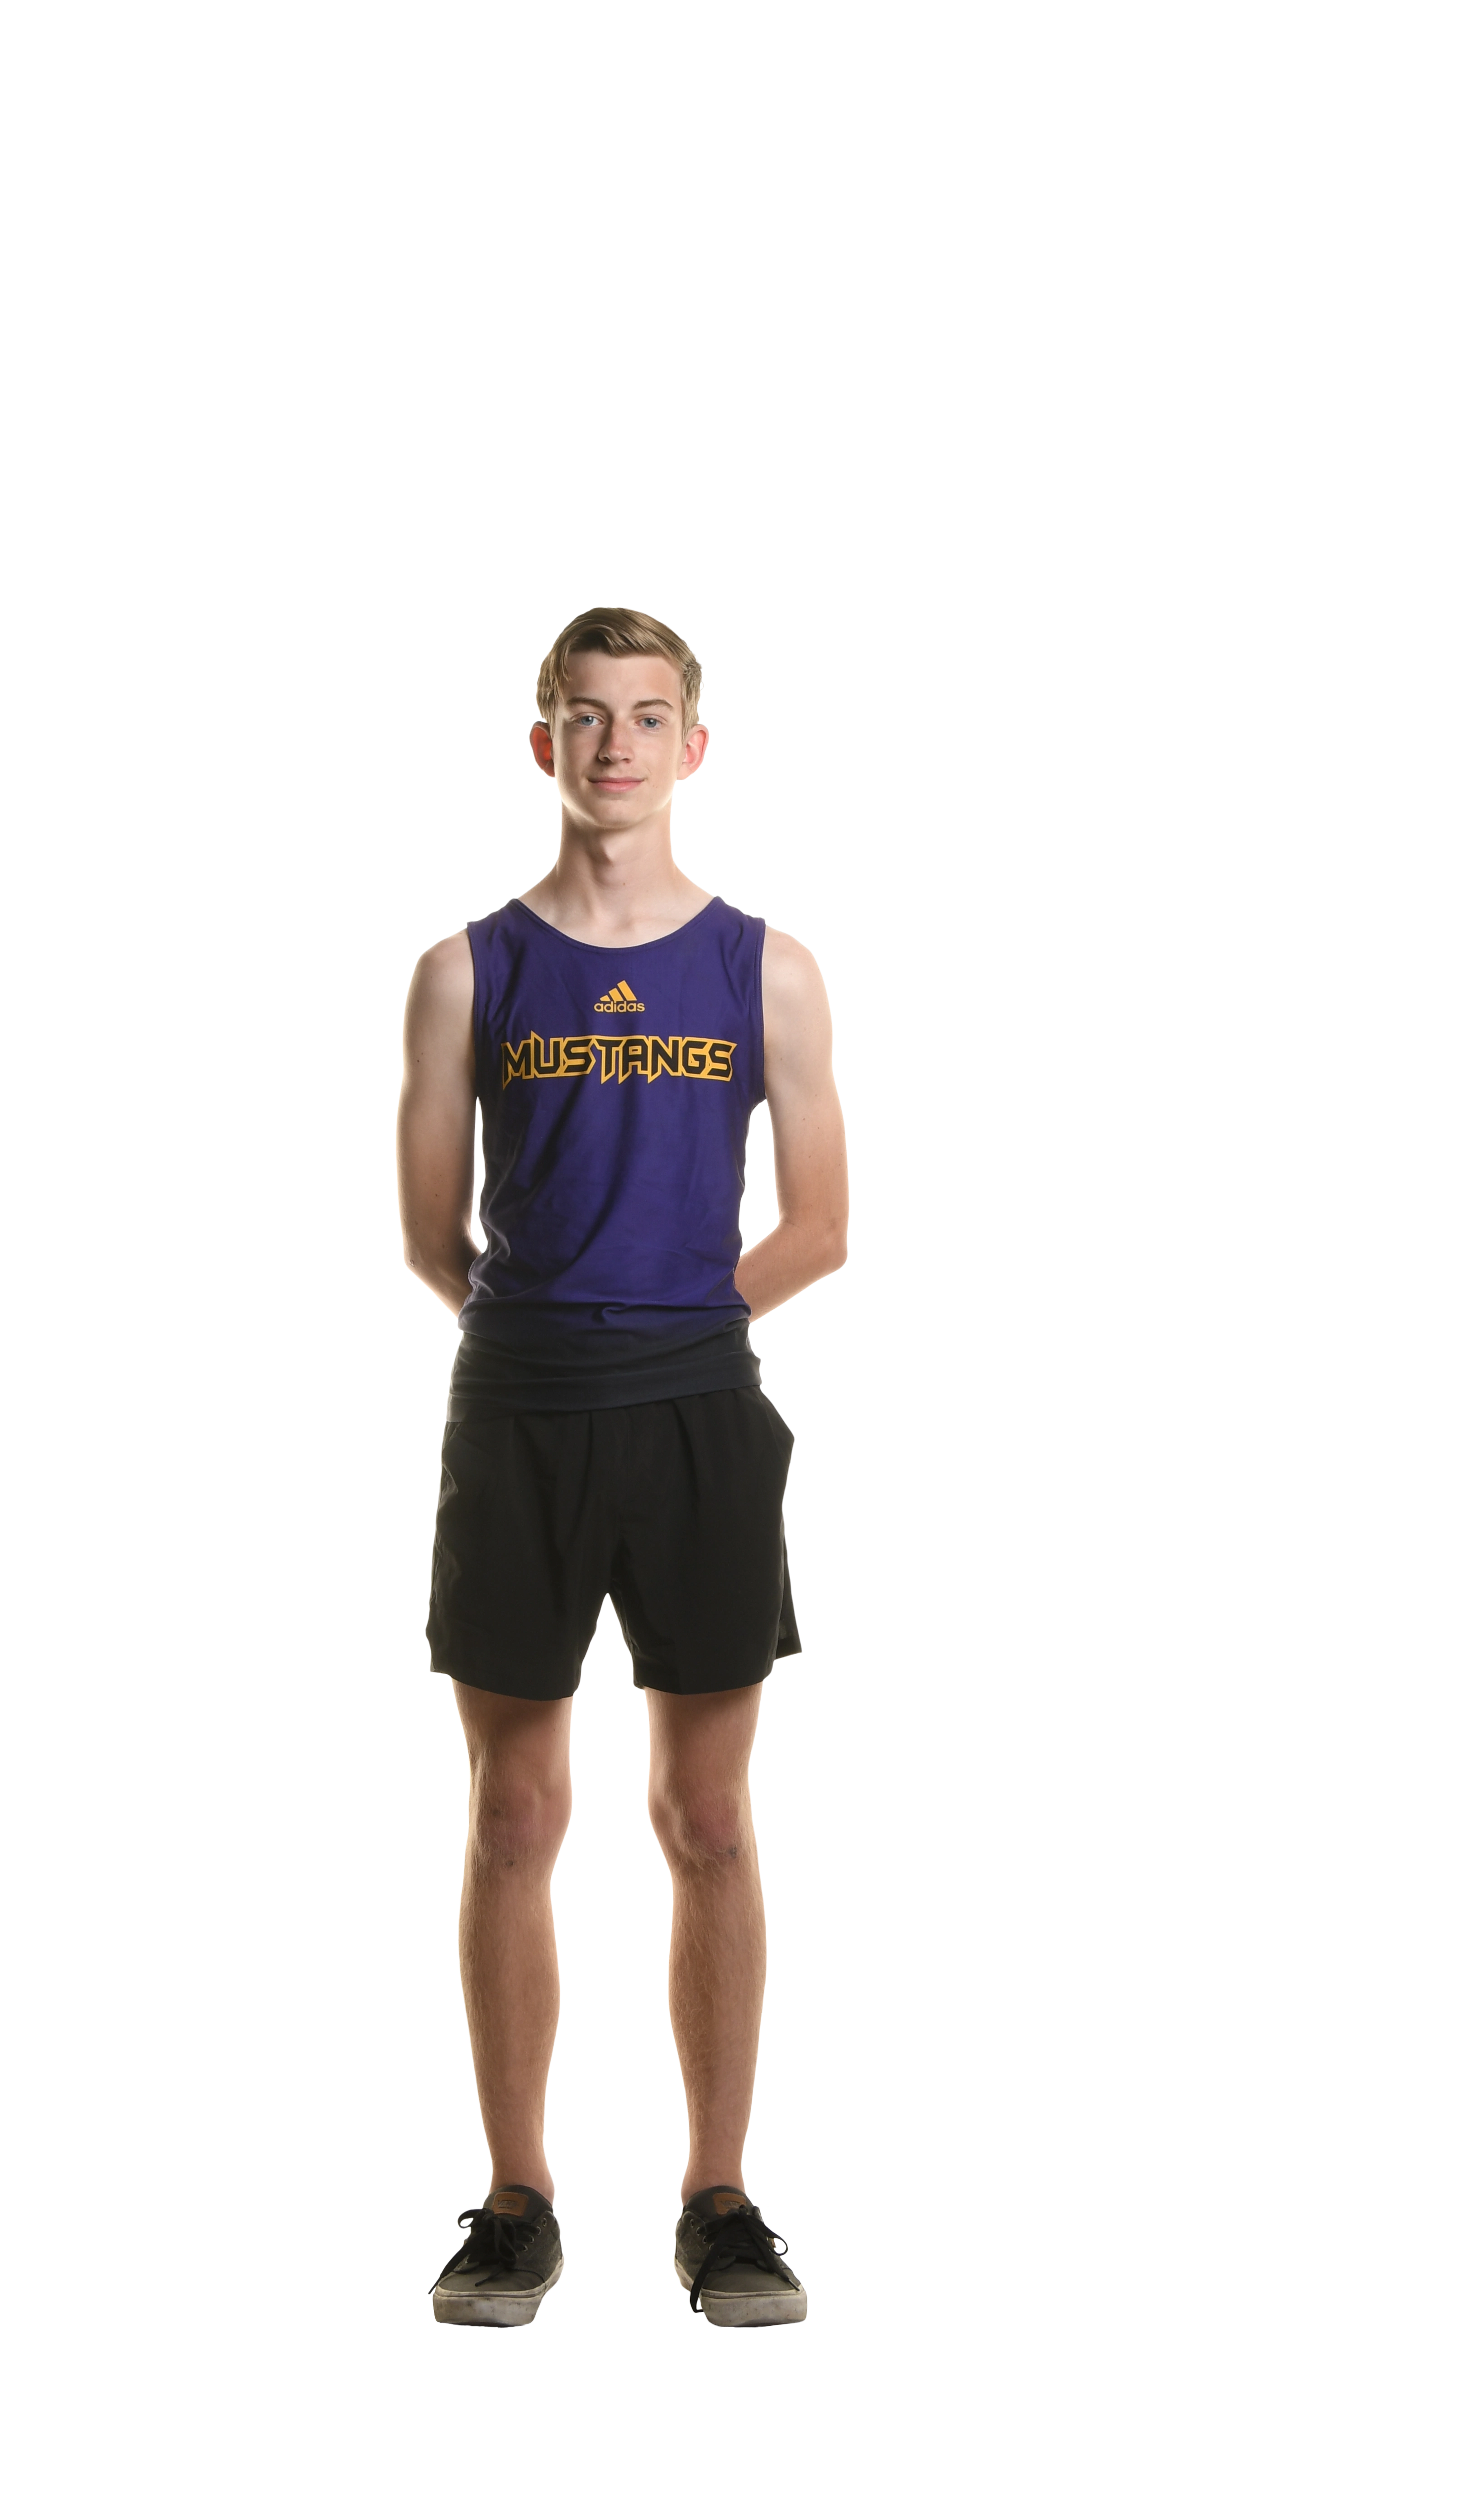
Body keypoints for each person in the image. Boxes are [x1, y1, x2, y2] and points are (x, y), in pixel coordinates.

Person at [400, 606, 848, 2326]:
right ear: (544, 741)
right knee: (513, 1813)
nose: (616, 745)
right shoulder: (467, 971)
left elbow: (821, 1223)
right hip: (517, 1418)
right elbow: (432, 1234)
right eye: (584, 716)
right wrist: (556, 1335)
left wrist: (666, 1324)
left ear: (693, 745)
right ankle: (516, 2205)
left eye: (648, 716)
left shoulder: (766, 969)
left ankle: (719, 2206)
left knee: (708, 1817)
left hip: (697, 1419)